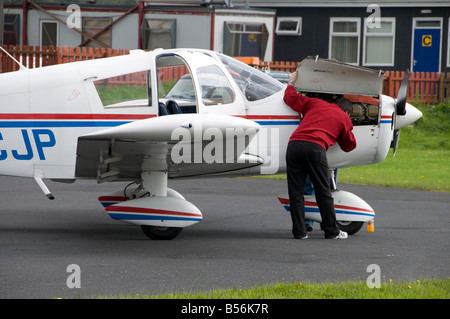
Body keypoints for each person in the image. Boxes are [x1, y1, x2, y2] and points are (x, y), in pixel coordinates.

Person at [284, 70, 356, 239]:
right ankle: (332, 231)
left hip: (293, 146)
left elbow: (290, 98)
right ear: (347, 112)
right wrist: (345, 128)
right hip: (315, 149)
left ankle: (299, 232)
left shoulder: (316, 103)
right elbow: (349, 146)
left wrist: (291, 82)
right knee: (323, 192)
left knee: (296, 193)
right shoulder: (343, 118)